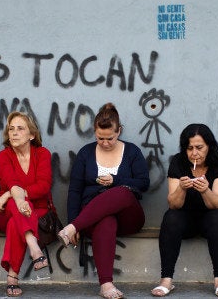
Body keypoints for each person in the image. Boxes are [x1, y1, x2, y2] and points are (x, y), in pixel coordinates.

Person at [57, 103, 150, 299]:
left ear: (119, 131)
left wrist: (116, 181)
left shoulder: (131, 151)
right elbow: (75, 190)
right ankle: (106, 285)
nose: (105, 143)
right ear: (94, 132)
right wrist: (74, 218)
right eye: (100, 138)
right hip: (92, 217)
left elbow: (143, 183)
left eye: (110, 138)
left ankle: (72, 228)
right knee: (106, 220)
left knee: (123, 193)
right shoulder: (85, 153)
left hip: (128, 217)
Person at [151, 124, 218, 297]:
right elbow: (173, 204)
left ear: (209, 146)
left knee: (217, 217)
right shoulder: (178, 161)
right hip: (186, 219)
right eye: (189, 148)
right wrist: (181, 188)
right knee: (171, 217)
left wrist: (205, 190)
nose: (194, 153)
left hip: (214, 219)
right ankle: (166, 279)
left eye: (199, 147)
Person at [0, 112, 52, 297]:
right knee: (15, 207)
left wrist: (10, 194)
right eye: (11, 129)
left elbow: (43, 186)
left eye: (20, 128)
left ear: (31, 135)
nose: (14, 133)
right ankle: (34, 247)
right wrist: (15, 196)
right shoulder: (3, 156)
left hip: (37, 211)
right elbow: (12, 181)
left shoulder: (42, 154)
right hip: (5, 211)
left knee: (15, 221)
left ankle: (12, 277)